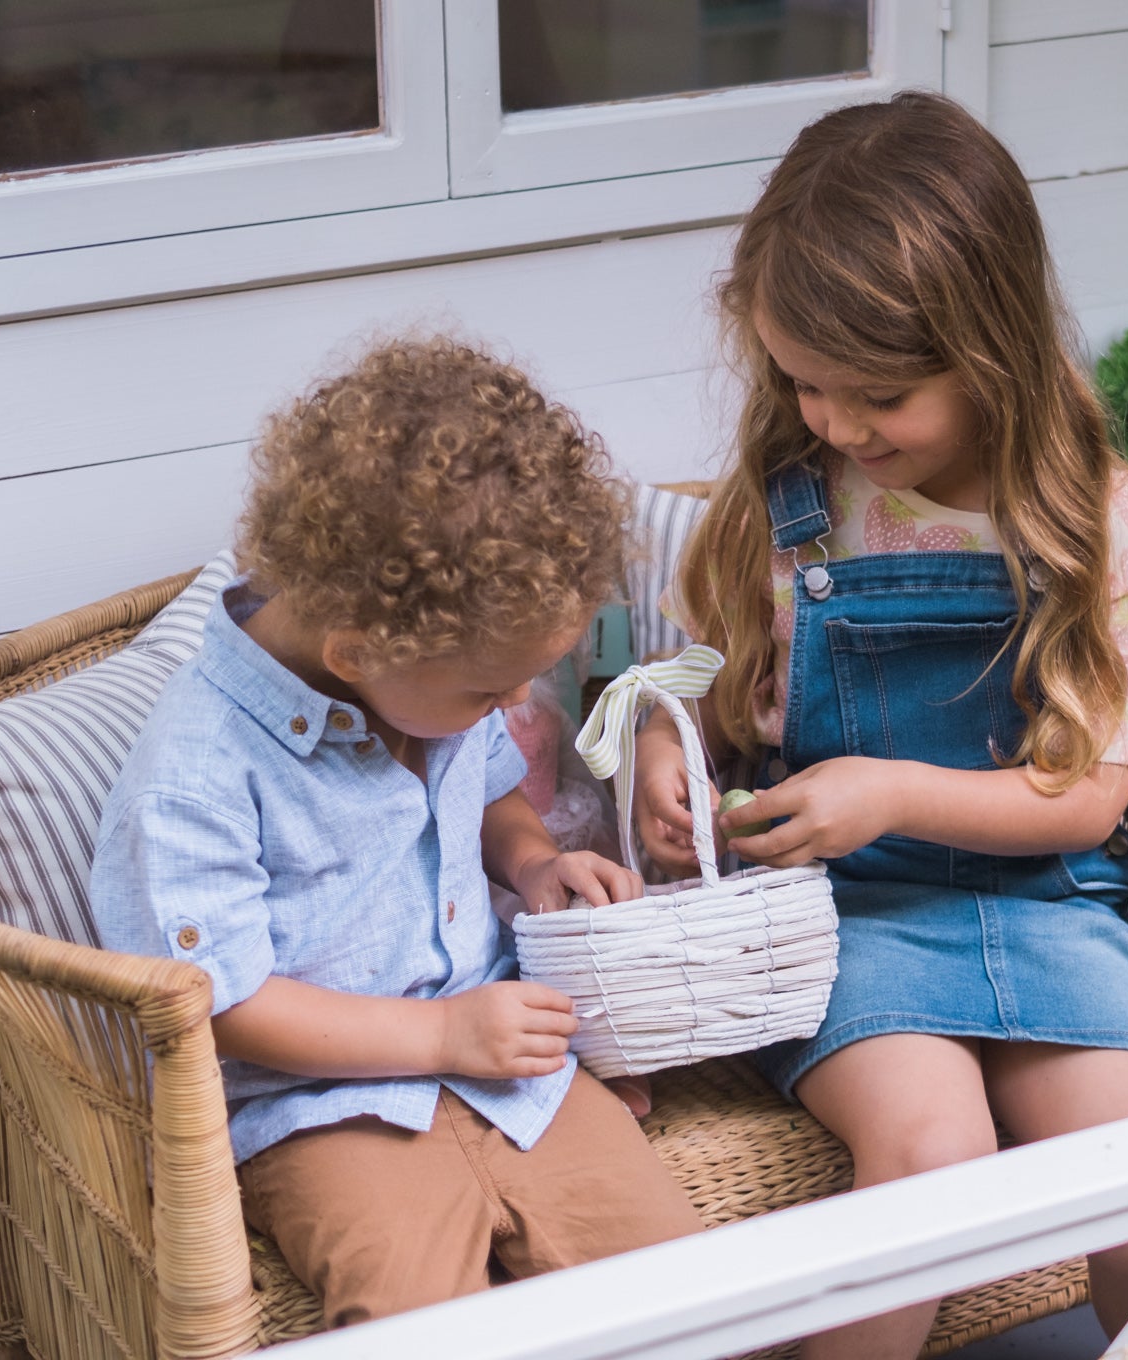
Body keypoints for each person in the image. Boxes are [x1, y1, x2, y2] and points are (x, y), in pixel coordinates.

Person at [639, 91, 1128, 1357]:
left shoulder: (1088, 518)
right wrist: (674, 763)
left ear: (985, 347)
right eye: (804, 384)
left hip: (1054, 903)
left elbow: (1095, 796)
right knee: (932, 1149)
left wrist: (887, 789)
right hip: (850, 916)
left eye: (873, 394)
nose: (834, 422)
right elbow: (709, 692)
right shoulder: (797, 504)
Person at [92, 335, 702, 1328]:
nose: (511, 702)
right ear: (356, 647)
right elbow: (224, 1004)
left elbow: (493, 789)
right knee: (416, 1320)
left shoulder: (430, 686)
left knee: (687, 1297)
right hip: (322, 1109)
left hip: (513, 1074)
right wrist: (442, 1034)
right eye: (488, 688)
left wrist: (534, 858)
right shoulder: (194, 778)